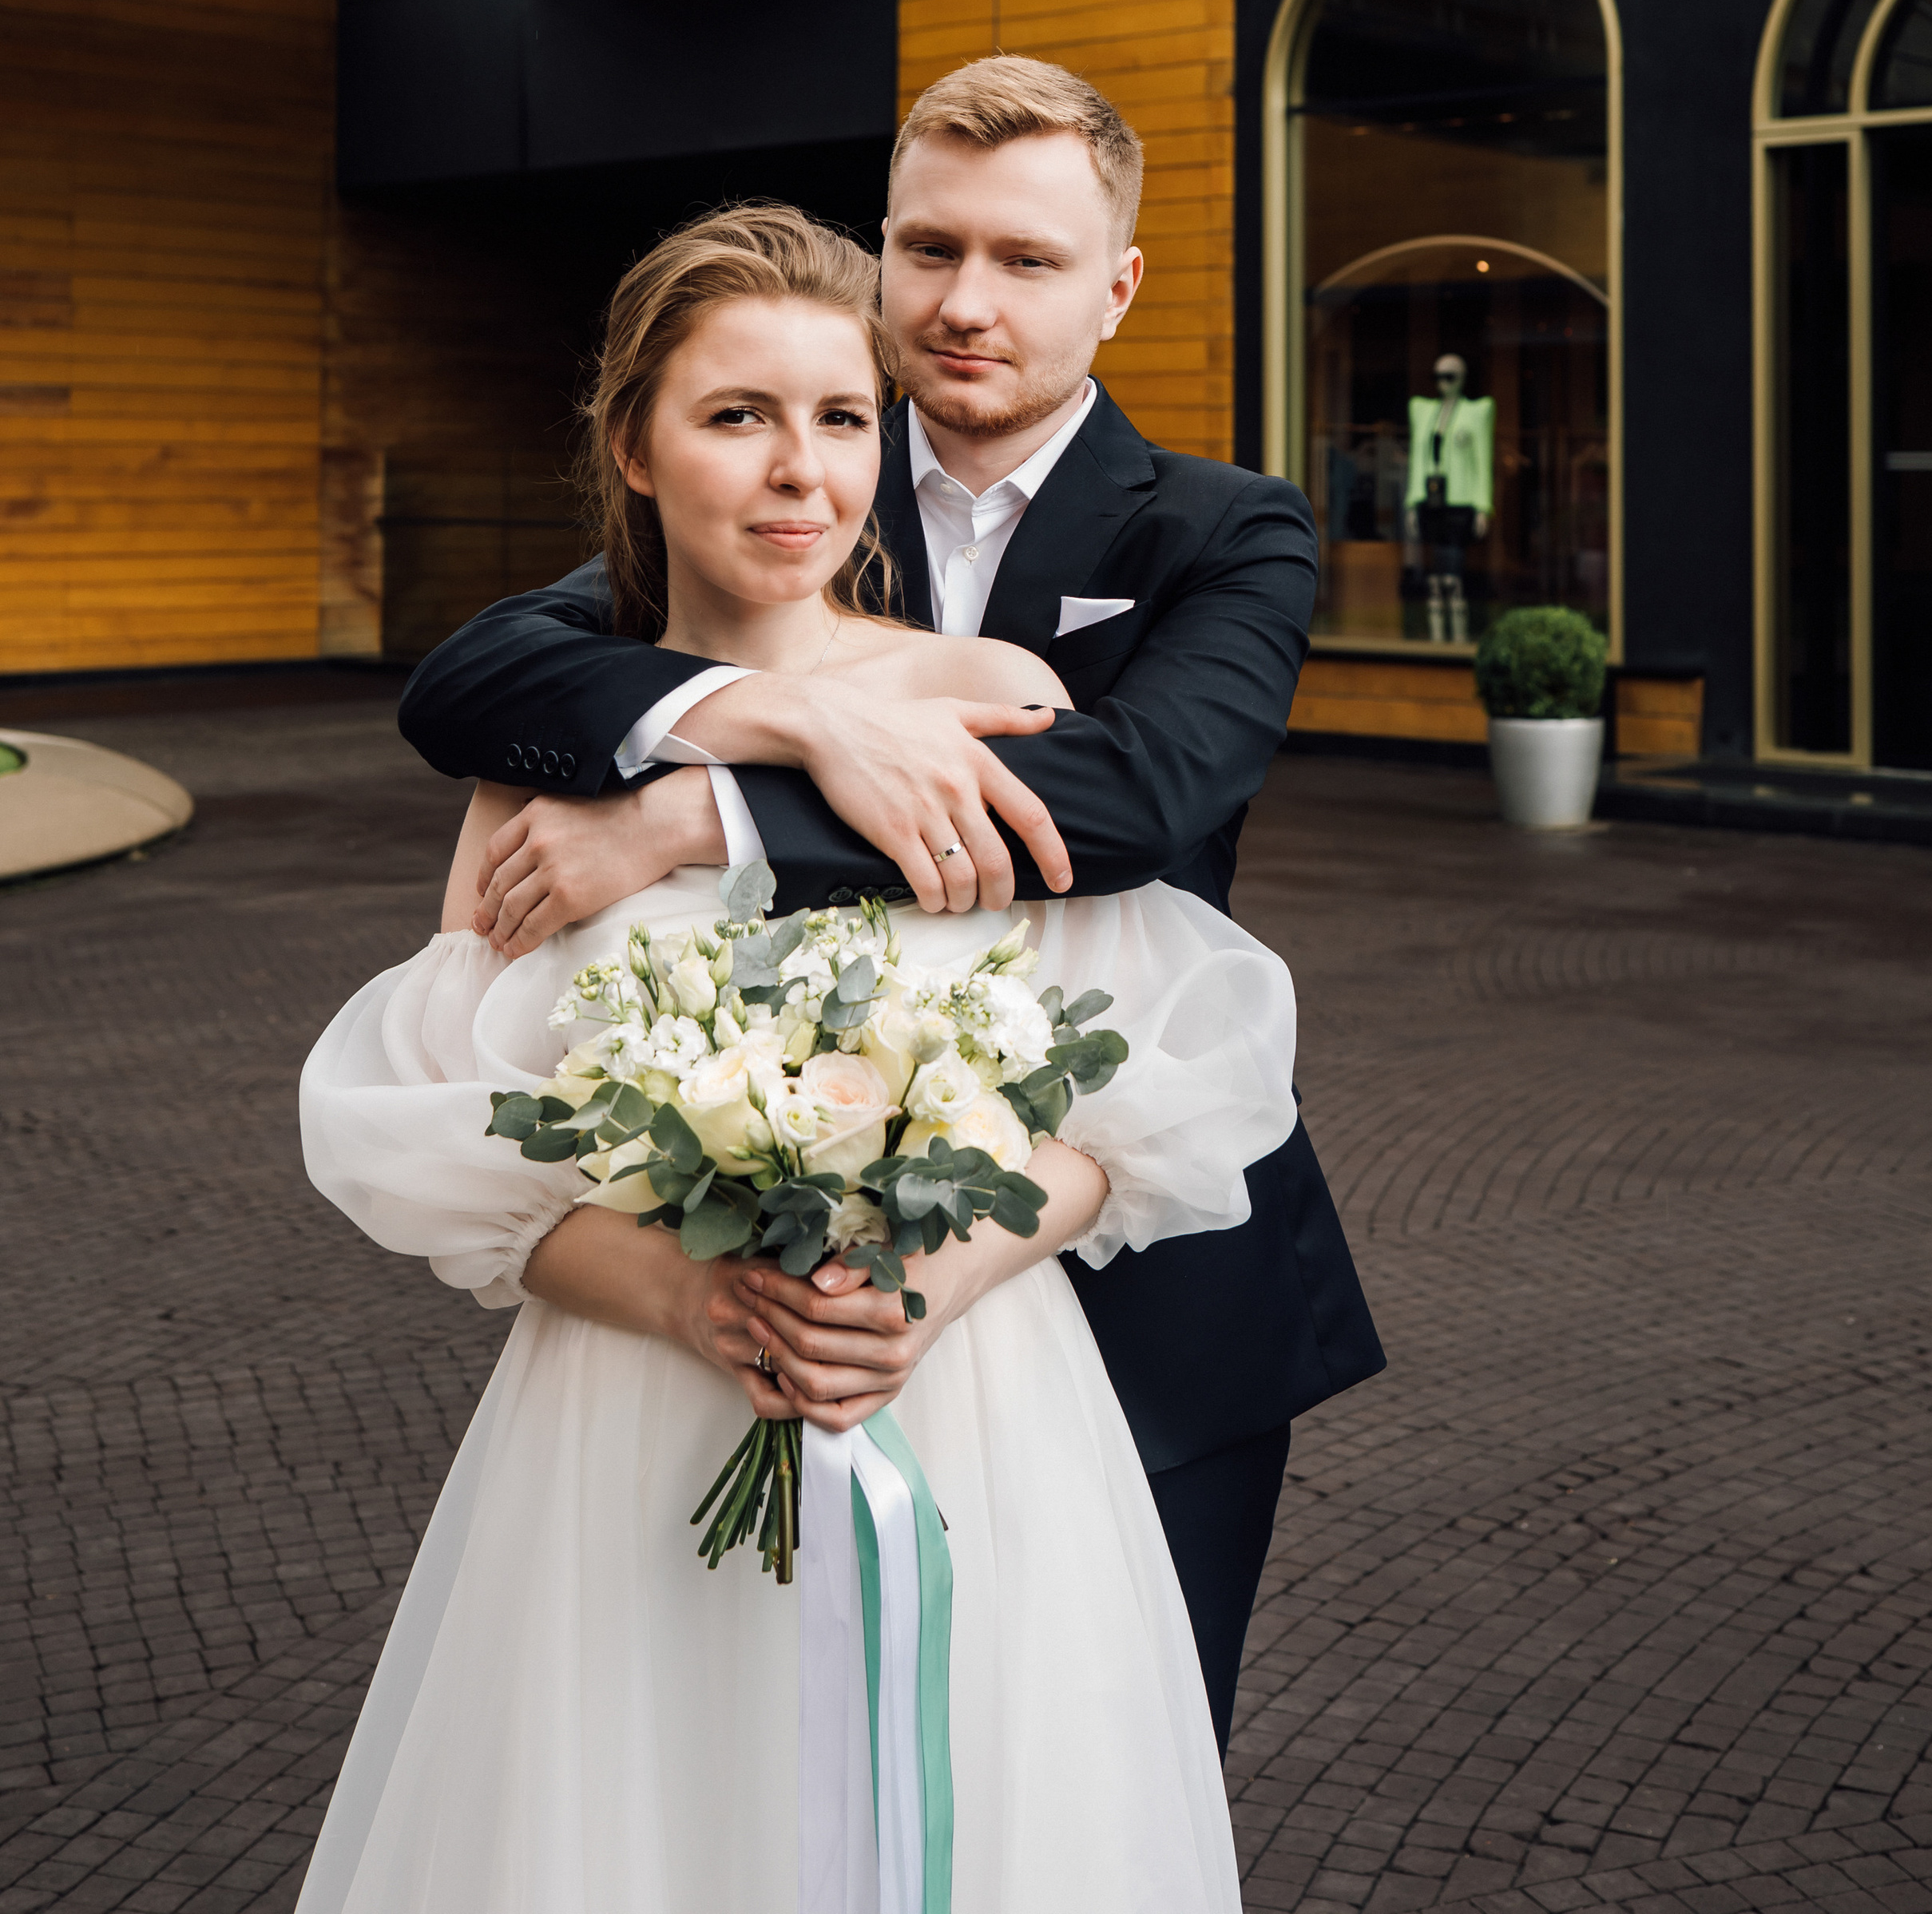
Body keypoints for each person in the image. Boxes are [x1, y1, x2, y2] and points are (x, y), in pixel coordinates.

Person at [298, 205, 1301, 1912]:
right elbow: (447, 1145)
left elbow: (1139, 1086)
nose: (797, 475)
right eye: (734, 416)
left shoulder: (986, 696)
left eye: (841, 420)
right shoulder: (545, 759)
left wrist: (934, 1281)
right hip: (634, 1419)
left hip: (971, 1395)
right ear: (632, 442)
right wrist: (695, 1300)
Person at [399, 55, 1385, 1743]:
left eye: (1024, 260)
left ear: (1116, 286)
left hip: (1143, 1270)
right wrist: (777, 712)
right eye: (926, 251)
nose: (963, 303)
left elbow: (1136, 796)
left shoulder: (1227, 529)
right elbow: (483, 677)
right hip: (765, 1303)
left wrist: (700, 817)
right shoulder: (800, 490)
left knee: (1094, 1765)